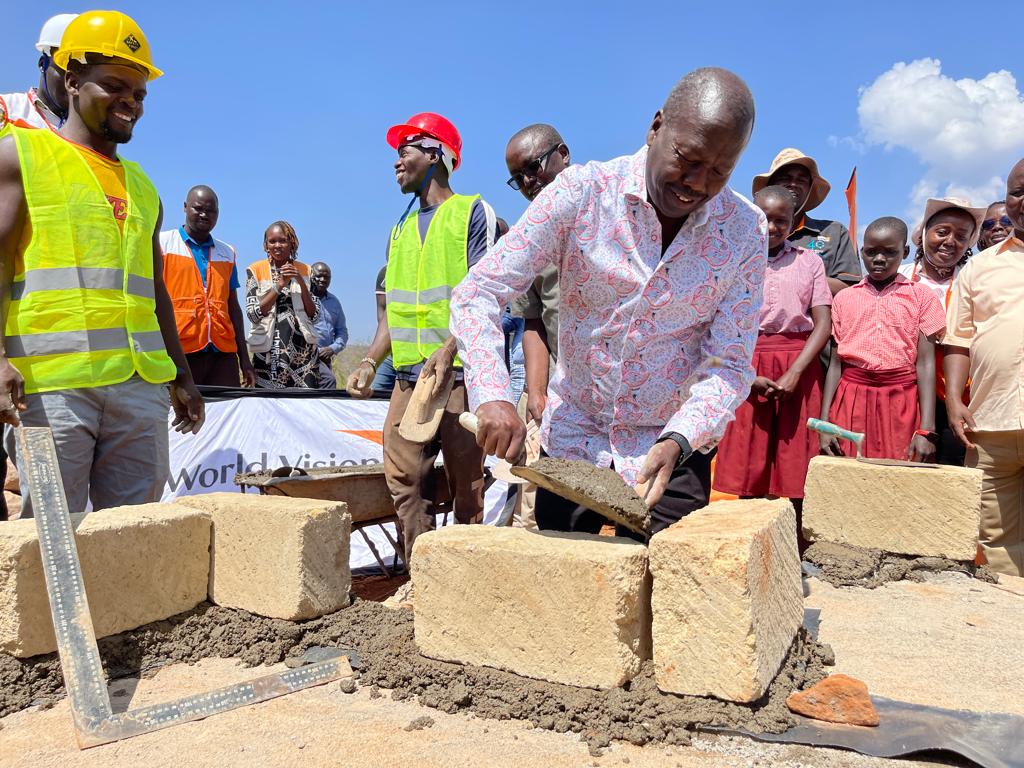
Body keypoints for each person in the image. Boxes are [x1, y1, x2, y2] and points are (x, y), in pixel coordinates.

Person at [451, 68, 767, 537]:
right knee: (569, 588)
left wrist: (680, 438)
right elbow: (479, 291)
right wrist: (493, 394)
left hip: (670, 453)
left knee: (671, 594)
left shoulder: (743, 231)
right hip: (576, 444)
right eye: (688, 159)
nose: (697, 184)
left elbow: (730, 362)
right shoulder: (582, 193)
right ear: (656, 127)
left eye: (720, 171)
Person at [0, 11, 204, 518]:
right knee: (51, 543)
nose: (130, 102)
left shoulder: (142, 185)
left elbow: (154, 288)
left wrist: (181, 374)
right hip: (50, 392)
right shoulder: (20, 155)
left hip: (139, 389)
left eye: (139, 93)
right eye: (114, 85)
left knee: (133, 540)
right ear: (71, 81)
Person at [346, 112, 498, 560]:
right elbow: (393, 315)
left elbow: (487, 295)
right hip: (409, 381)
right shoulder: (398, 230)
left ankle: (467, 578)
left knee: (466, 486)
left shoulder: (472, 212)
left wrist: (450, 349)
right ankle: (422, 576)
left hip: (459, 378)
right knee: (405, 479)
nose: (397, 162)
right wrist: (371, 361)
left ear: (436, 154)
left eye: (405, 150)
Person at [714, 186, 832, 514]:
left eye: (782, 220)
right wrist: (747, 376)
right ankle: (751, 547)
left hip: (800, 364)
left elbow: (823, 323)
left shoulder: (808, 261)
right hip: (749, 364)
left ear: (794, 222)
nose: (771, 227)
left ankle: (796, 550)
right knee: (748, 465)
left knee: (798, 464)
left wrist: (796, 372)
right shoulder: (733, 260)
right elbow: (719, 326)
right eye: (764, 219)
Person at [944, 159, 1024, 576]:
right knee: (994, 541)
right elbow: (958, 340)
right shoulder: (980, 265)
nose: (1023, 200)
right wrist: (955, 401)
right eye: (1017, 191)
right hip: (990, 425)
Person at [819, 217, 946, 461]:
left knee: (898, 476)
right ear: (862, 251)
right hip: (852, 397)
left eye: (889, 252)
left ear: (905, 252)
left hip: (901, 400)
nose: (878, 259)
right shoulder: (844, 298)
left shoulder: (921, 297)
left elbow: (926, 364)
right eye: (871, 252)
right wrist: (825, 422)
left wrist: (927, 429)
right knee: (849, 476)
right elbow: (836, 365)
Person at [898, 197, 986, 465]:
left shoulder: (973, 281)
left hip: (957, 396)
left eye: (961, 236)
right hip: (904, 394)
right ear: (925, 234)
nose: (950, 241)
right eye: (942, 232)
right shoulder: (900, 277)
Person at [505, 123, 570, 424]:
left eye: (533, 167)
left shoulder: (609, 207)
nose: (528, 181)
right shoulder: (525, 240)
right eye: (518, 179)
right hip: (566, 394)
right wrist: (536, 391)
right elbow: (533, 321)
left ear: (563, 154)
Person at [161, 185, 255, 387]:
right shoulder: (163, 244)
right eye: (198, 208)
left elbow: (233, 308)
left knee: (228, 415)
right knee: (180, 415)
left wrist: (244, 360)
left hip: (223, 354)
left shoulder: (227, 252)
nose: (204, 215)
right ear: (185, 207)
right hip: (179, 351)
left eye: (211, 211)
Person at [753, 148, 860, 295]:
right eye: (785, 178)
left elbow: (851, 290)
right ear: (770, 186)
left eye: (801, 180)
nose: (793, 184)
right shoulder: (748, 233)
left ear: (810, 189)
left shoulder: (834, 232)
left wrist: (797, 274)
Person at [244, 221, 321, 389]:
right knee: (268, 407)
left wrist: (300, 281)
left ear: (292, 243)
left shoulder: (307, 270)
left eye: (283, 241)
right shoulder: (255, 270)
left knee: (305, 406)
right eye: (272, 241)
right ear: (265, 245)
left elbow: (315, 315)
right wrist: (279, 285)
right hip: (268, 354)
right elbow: (253, 314)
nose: (277, 245)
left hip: (303, 354)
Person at [0, 14, 78, 131]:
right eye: (65, 68)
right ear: (43, 64)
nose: (73, 82)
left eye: (83, 72)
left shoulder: (92, 134)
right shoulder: (8, 110)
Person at [309, 261, 348, 389]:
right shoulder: (303, 297)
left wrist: (333, 348)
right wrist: (318, 351)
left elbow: (342, 331)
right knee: (328, 381)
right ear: (311, 275)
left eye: (327, 277)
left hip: (326, 358)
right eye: (319, 275)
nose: (323, 280)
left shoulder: (334, 302)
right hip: (306, 355)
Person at [370, 265, 396, 394]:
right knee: (374, 392)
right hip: (390, 350)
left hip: (418, 351)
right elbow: (382, 314)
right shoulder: (385, 273)